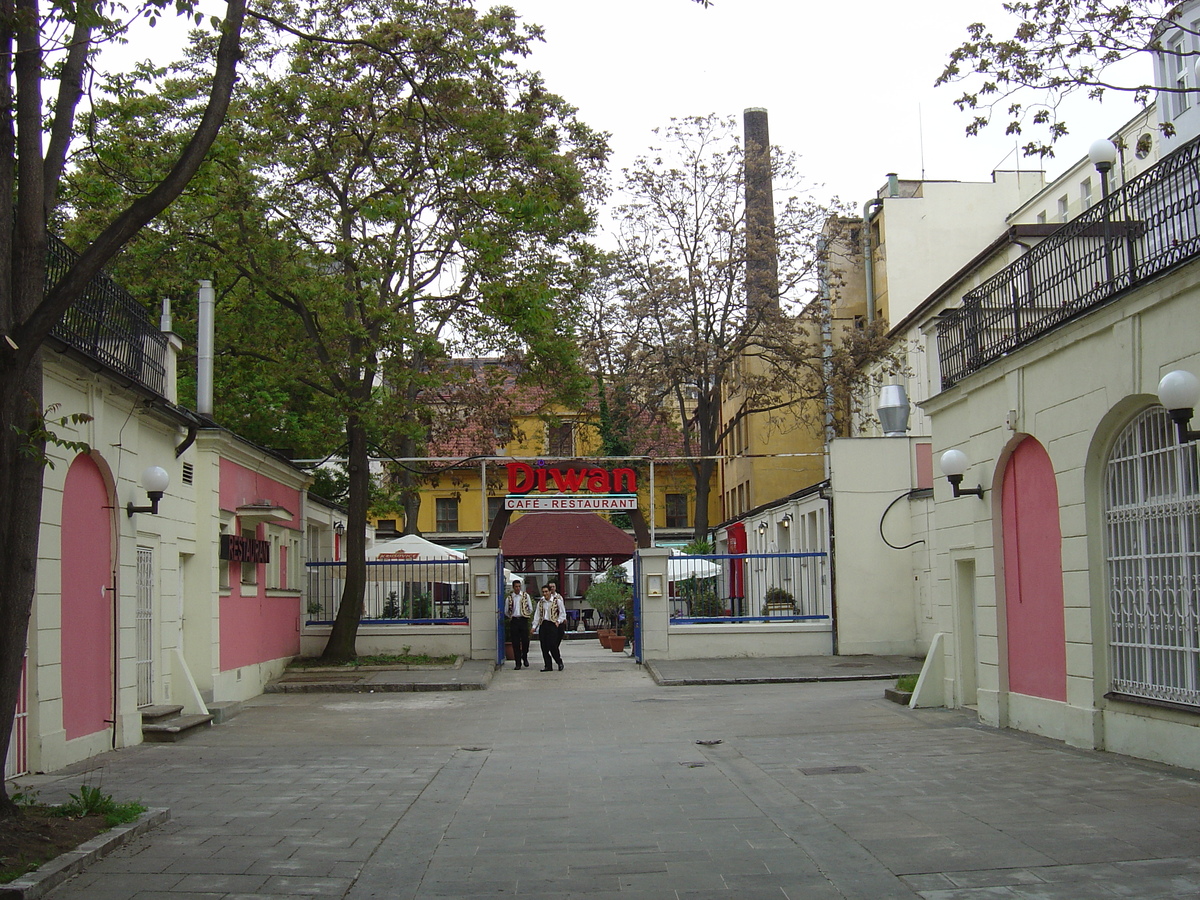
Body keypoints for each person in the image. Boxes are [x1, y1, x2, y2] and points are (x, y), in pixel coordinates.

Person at [532, 584, 567, 671]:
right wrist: (534, 626)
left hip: (552, 624)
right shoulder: (541, 602)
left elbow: (563, 613)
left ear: (550, 592)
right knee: (544, 646)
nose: (545, 594)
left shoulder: (557, 601)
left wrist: (558, 621)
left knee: (553, 645)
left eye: (546, 591)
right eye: (543, 592)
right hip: (543, 624)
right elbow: (537, 614)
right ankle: (548, 665)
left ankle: (559, 661)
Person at [505, 578, 533, 669]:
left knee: (525, 641)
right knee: (515, 642)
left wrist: (526, 614)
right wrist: (511, 615)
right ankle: (518, 663)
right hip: (514, 621)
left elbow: (530, 608)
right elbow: (506, 611)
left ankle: (524, 656)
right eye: (516, 586)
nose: (517, 588)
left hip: (523, 620)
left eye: (519, 586)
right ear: (513, 587)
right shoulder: (510, 598)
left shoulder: (525, 596)